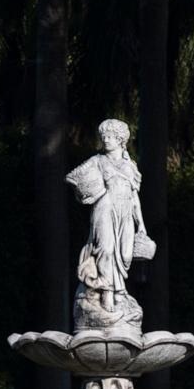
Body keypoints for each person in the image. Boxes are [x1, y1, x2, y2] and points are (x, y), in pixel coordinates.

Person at [66, 118, 150, 313]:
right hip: (104, 208)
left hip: (125, 211)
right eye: (103, 136)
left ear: (120, 139)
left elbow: (134, 198)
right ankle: (109, 291)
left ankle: (117, 289)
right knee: (106, 248)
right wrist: (86, 191)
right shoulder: (97, 161)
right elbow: (73, 178)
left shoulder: (131, 166)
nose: (106, 140)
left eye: (110, 136)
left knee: (126, 255)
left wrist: (142, 225)